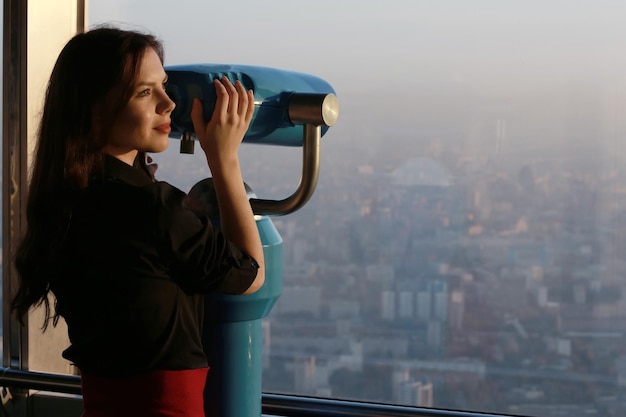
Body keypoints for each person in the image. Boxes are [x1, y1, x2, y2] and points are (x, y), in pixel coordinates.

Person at [10, 25, 265, 417]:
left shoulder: (63, 201)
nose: (168, 104)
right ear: (96, 112)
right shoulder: (151, 209)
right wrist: (224, 160)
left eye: (165, 87)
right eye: (145, 93)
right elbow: (250, 274)